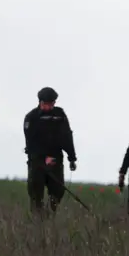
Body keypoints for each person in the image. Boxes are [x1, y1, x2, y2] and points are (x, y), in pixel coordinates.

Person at [23, 87, 77, 215]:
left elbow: (67, 137)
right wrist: (42, 158)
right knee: (36, 192)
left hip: (55, 159)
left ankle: (50, 214)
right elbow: (30, 142)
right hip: (37, 160)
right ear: (40, 102)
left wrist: (72, 157)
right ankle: (37, 218)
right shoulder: (31, 118)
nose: (48, 107)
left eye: (51, 104)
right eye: (45, 104)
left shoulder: (60, 115)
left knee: (58, 191)